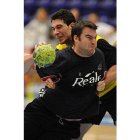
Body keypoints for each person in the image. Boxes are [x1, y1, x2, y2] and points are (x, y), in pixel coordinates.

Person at [24, 20, 107, 140]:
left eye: (94, 37)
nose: (94, 42)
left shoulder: (99, 55)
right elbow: (32, 69)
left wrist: (100, 84)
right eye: (89, 37)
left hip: (67, 126)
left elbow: (100, 78)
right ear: (76, 38)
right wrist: (35, 56)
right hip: (41, 113)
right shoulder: (61, 58)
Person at [44, 9, 117, 125]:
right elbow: (52, 75)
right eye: (53, 29)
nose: (55, 32)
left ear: (72, 26)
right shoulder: (59, 51)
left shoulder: (97, 42)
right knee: (75, 134)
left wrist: (97, 88)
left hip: (113, 92)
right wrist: (48, 78)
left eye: (59, 27)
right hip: (90, 99)